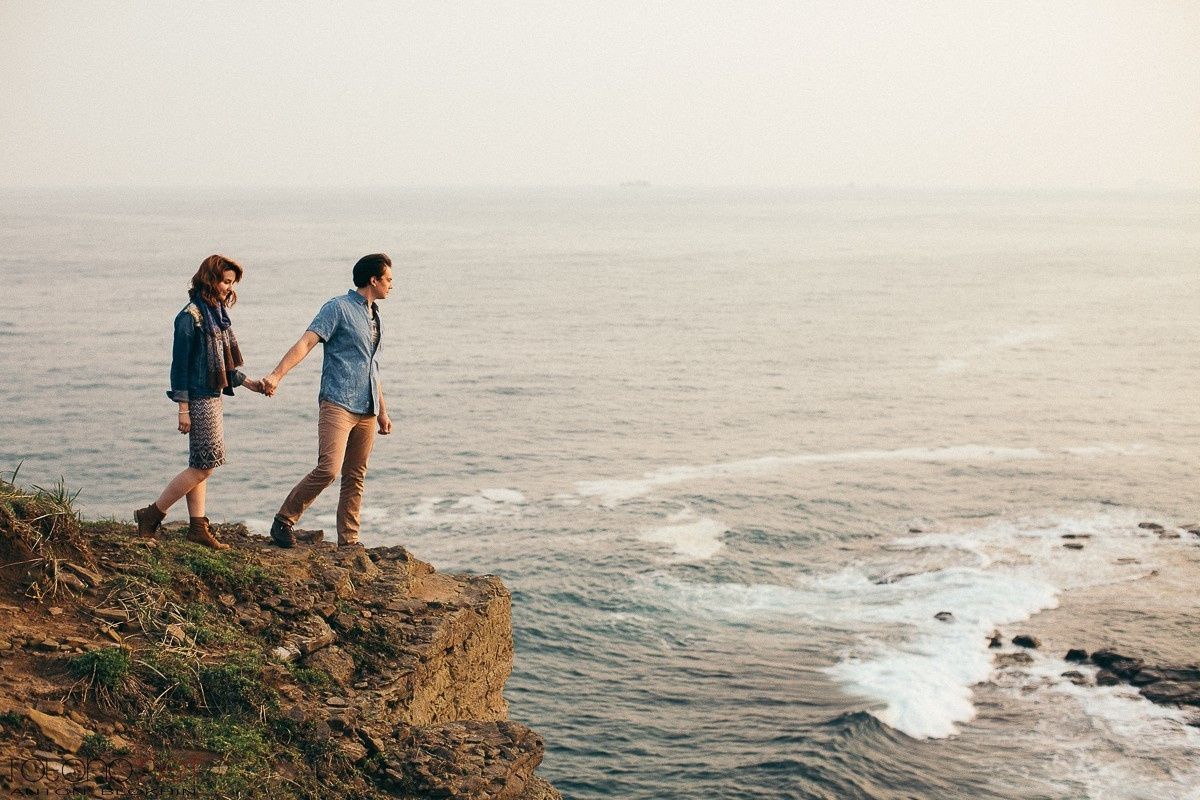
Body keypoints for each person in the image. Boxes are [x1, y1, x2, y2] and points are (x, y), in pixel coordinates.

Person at [260, 253, 394, 549]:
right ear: (373, 280)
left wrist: (383, 411)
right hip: (338, 401)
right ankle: (284, 519)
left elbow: (373, 366)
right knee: (329, 469)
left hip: (368, 407)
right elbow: (307, 341)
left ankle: (349, 540)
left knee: (355, 476)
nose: (391, 286)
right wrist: (277, 375)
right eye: (388, 279)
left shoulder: (375, 316)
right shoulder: (338, 308)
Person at [134, 254, 265, 549]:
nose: (230, 288)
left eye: (232, 283)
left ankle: (197, 527)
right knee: (204, 467)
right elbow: (179, 367)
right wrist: (183, 408)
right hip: (197, 399)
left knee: (201, 462)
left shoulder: (216, 313)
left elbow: (223, 368)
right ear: (210, 279)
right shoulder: (189, 317)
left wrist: (252, 384)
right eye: (226, 282)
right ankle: (151, 515)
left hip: (212, 395)